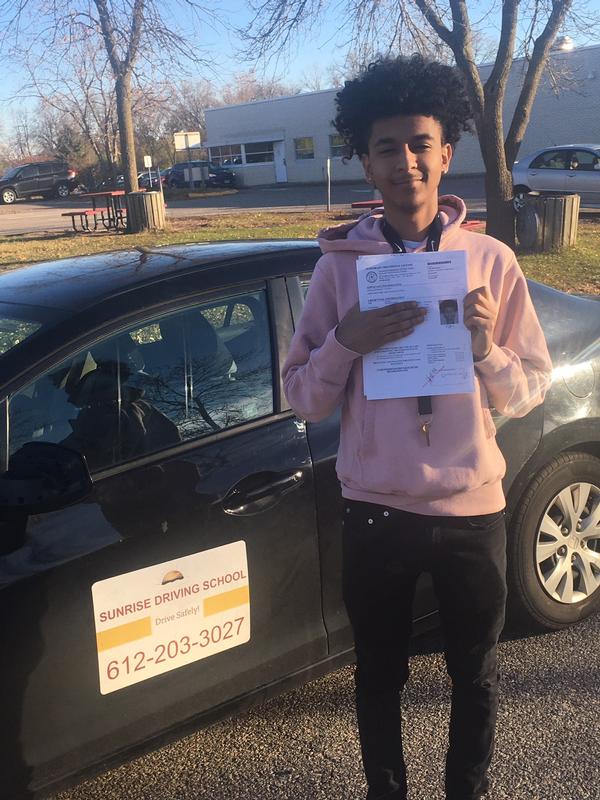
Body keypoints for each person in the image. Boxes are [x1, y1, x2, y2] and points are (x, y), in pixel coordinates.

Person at [282, 55, 552, 800]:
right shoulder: (338, 270)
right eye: (386, 147)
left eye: (419, 143)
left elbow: (530, 391)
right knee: (378, 676)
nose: (405, 161)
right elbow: (303, 398)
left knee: (476, 675)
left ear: (446, 151)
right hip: (376, 511)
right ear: (366, 162)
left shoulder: (491, 261)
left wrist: (484, 350)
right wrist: (346, 341)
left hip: (473, 511)